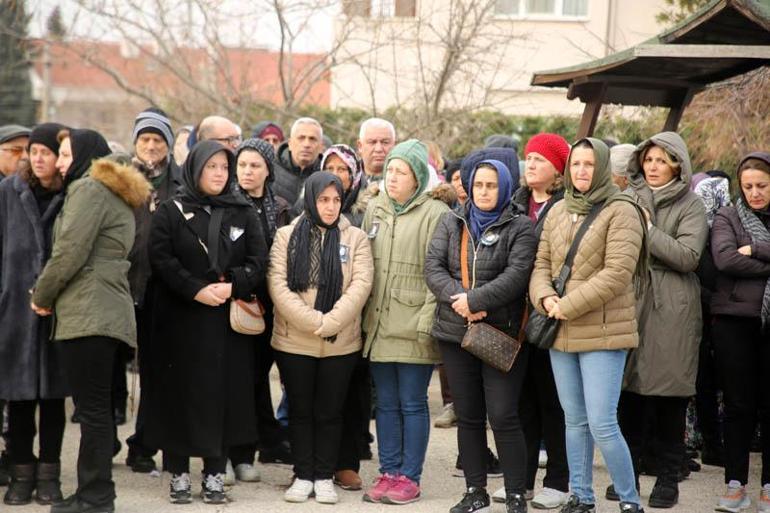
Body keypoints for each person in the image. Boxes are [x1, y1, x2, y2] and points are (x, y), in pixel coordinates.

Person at [31, 128, 151, 513]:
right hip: (107, 309)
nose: (60, 163)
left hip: (88, 311)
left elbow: (69, 252)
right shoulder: (115, 194)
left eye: (65, 155)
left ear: (85, 155)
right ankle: (93, 493)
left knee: (93, 410)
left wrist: (41, 295)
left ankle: (95, 497)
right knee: (96, 408)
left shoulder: (89, 190)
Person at [529, 137, 648, 513]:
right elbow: (541, 265)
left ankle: (629, 501)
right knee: (574, 421)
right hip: (560, 329)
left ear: (601, 167)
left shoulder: (622, 210)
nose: (581, 171)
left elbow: (617, 274)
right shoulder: (560, 208)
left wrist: (567, 305)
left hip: (603, 330)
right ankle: (581, 497)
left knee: (602, 423)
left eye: (588, 164)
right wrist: (545, 298)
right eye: (575, 164)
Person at [146, 140, 266, 505]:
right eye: (211, 166)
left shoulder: (242, 211)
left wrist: (232, 287)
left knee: (222, 396)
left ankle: (215, 471)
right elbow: (161, 258)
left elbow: (259, 261)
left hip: (225, 324)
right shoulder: (171, 210)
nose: (218, 174)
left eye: (223, 167)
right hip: (180, 320)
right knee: (179, 394)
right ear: (195, 168)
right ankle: (179, 472)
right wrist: (196, 290)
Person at [425, 157, 537, 513]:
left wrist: (476, 300)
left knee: (503, 415)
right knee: (469, 415)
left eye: (491, 186)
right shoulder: (451, 220)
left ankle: (516, 492)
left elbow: (518, 274)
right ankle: (475, 490)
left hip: (500, 333)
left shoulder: (520, 226)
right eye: (478, 185)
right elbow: (433, 267)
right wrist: (461, 302)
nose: (484, 192)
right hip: (455, 333)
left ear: (503, 187)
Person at [268, 171, 373, 504]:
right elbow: (278, 285)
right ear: (311, 199)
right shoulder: (286, 236)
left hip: (340, 342)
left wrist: (332, 322)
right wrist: (314, 320)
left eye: (336, 200)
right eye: (323, 199)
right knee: (300, 410)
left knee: (330, 411)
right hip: (294, 340)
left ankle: (324, 475)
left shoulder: (355, 237)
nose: (330, 207)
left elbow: (361, 285)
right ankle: (303, 474)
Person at [619, 132, 708, 509]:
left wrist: (648, 230)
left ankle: (668, 478)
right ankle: (629, 477)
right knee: (628, 397)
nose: (652, 167)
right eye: (648, 159)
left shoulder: (692, 205)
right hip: (629, 301)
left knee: (670, 398)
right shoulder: (628, 198)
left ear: (677, 164)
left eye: (661, 160)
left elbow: (688, 256)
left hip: (673, 307)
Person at [361, 139, 450, 505]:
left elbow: (438, 272)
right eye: (390, 170)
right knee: (385, 403)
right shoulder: (375, 209)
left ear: (417, 177)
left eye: (401, 171)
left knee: (412, 402)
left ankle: (409, 477)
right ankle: (389, 471)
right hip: (379, 322)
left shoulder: (436, 214)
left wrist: (426, 321)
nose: (392, 177)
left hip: (414, 321)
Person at [0, 123, 69, 506]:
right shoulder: (7, 193)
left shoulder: (71, 194)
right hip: (13, 310)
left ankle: (50, 475)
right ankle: (21, 473)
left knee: (55, 399)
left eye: (46, 152)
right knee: (19, 397)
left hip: (59, 310)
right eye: (33, 152)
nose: (38, 158)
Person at [511, 132, 571, 509]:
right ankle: (524, 478)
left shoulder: (565, 209)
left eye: (540, 159)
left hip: (551, 315)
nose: (530, 164)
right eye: (528, 157)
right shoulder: (515, 204)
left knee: (553, 402)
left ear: (558, 171)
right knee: (522, 402)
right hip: (515, 318)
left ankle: (559, 480)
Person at [710, 152, 770, 513]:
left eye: (761, 185)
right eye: (747, 186)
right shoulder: (727, 215)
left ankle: (768, 487)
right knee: (737, 405)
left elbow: (741, 258)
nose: (754, 193)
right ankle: (736, 484)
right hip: (734, 320)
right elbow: (725, 259)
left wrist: (758, 248)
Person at [228, 137, 290, 479]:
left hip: (271, 304)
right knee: (238, 379)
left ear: (268, 170)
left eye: (255, 165)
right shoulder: (227, 204)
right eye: (242, 165)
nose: (248, 172)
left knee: (257, 379)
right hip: (237, 301)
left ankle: (259, 444)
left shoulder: (278, 207)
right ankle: (235, 453)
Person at [124, 107, 182, 474]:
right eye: (144, 139)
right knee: (114, 371)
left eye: (157, 140)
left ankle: (143, 444)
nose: (150, 146)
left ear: (169, 145)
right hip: (121, 283)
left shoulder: (178, 183)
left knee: (156, 371)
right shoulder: (122, 178)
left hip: (160, 287)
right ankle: (107, 438)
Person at [691, 171, 732, 469]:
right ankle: (712, 444)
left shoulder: (725, 231)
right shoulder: (702, 235)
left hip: (720, 318)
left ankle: (716, 444)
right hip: (706, 318)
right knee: (706, 383)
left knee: (713, 384)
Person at [273, 117, 324, 206]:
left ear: (321, 147)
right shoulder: (270, 169)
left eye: (312, 139)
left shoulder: (326, 174)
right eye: (301, 138)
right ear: (290, 143)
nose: (306, 144)